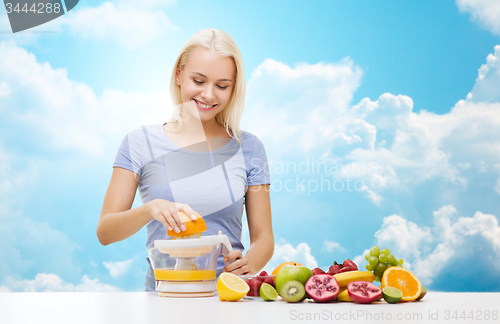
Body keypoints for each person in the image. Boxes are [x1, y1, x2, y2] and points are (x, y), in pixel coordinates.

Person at [96, 28, 274, 291]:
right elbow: (106, 232)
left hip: (228, 298)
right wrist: (150, 208)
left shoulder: (249, 148)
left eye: (222, 85)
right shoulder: (140, 142)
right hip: (163, 297)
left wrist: (248, 263)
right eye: (199, 81)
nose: (209, 95)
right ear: (179, 74)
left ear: (234, 88)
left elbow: (264, 238)